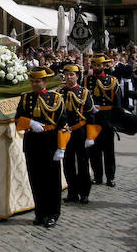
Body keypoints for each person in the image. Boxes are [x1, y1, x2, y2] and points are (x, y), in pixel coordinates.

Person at [15, 67, 66, 228]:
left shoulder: (56, 98)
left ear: (45, 82)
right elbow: (17, 120)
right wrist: (29, 123)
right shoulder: (25, 98)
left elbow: (63, 124)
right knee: (36, 180)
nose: (34, 84)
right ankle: (40, 213)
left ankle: (53, 214)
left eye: (38, 81)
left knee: (52, 181)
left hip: (50, 142)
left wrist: (61, 147)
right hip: (32, 142)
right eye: (32, 81)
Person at [58, 64, 95, 204]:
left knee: (83, 163)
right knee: (68, 164)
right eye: (66, 74)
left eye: (71, 75)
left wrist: (90, 136)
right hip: (66, 132)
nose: (68, 77)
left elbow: (90, 115)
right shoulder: (61, 93)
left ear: (77, 76)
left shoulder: (84, 93)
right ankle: (72, 192)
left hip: (80, 132)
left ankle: (84, 193)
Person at [83, 54, 122, 187]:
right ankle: (98, 176)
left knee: (109, 150)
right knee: (94, 150)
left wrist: (116, 121)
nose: (97, 67)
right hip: (93, 120)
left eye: (99, 65)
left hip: (107, 119)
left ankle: (110, 177)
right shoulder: (87, 81)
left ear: (104, 66)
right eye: (94, 65)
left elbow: (117, 103)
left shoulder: (112, 81)